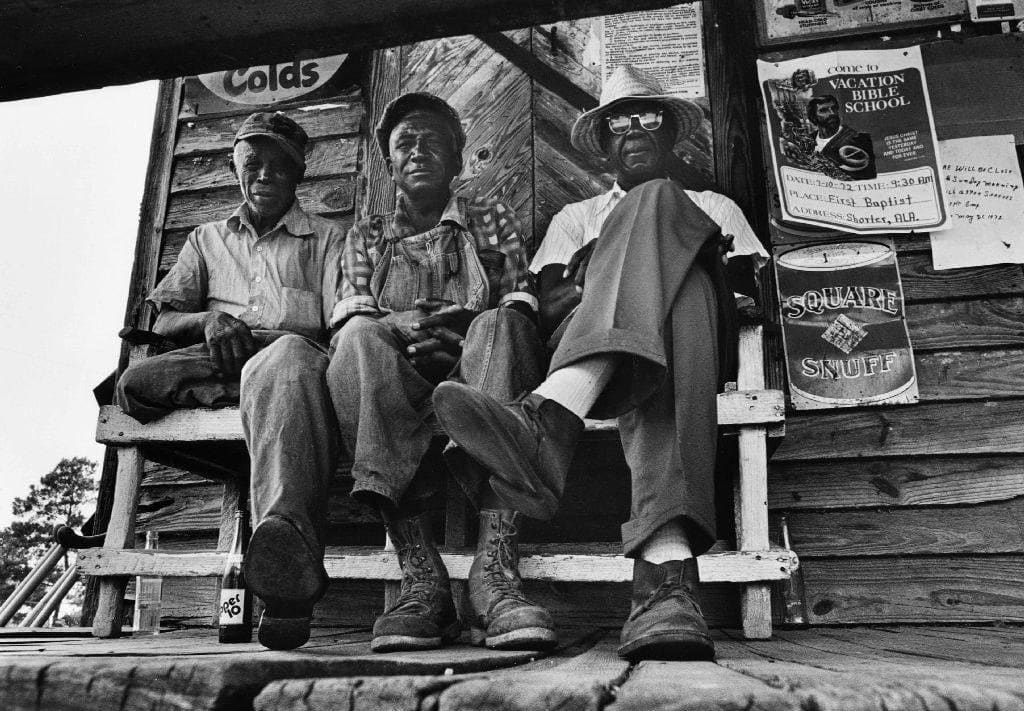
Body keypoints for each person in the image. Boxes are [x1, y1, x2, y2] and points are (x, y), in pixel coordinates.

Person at [432, 65, 768, 662]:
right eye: (619, 120)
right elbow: (546, 304)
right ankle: (666, 581)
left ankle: (553, 416)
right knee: (671, 305)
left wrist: (665, 255)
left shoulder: (715, 204)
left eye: (648, 117)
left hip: (698, 340)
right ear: (605, 141)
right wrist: (618, 262)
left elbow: (752, 289)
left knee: (673, 253)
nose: (633, 128)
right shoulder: (574, 218)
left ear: (670, 134)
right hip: (625, 347)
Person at [327, 92, 557, 653]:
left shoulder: (487, 217)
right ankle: (421, 577)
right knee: (358, 337)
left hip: (478, 369)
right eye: (405, 143)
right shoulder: (367, 234)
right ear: (389, 164)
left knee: (501, 325)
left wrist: (470, 324)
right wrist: (405, 325)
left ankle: (495, 574)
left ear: (457, 160)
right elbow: (352, 310)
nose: (419, 151)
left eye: (435, 141)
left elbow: (520, 298)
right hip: (397, 377)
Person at [115, 111, 347, 650]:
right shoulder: (205, 239)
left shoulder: (329, 239)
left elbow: (340, 326)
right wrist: (208, 321)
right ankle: (255, 389)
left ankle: (287, 571)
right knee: (136, 383)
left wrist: (278, 341)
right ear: (234, 167)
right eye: (253, 163)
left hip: (292, 363)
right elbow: (164, 317)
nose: (265, 175)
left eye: (279, 167)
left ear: (299, 174)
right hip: (217, 362)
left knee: (287, 357)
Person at [806, 94, 876, 180]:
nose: (832, 113)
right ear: (813, 118)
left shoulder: (859, 139)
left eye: (834, 108)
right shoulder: (808, 140)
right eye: (824, 110)